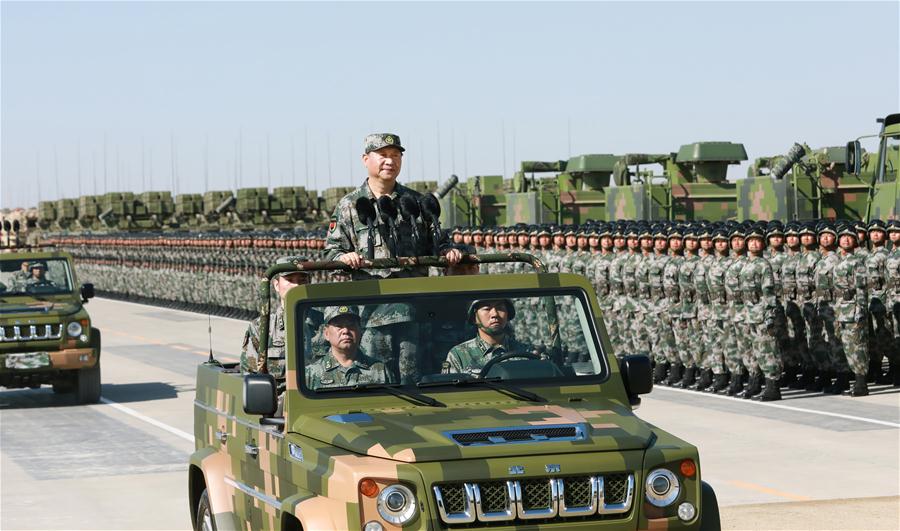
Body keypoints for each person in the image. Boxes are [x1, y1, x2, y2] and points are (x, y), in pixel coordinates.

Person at [324, 133, 461, 277]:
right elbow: (332, 253)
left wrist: (447, 250)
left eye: (395, 155)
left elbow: (440, 241)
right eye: (383, 155)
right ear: (365, 159)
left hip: (414, 289)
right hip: (372, 290)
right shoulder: (349, 206)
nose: (390, 161)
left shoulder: (417, 202)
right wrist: (343, 258)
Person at [240, 256, 315, 376]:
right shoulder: (261, 328)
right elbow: (250, 374)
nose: (296, 286)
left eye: (302, 280)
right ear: (276, 285)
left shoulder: (326, 323)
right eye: (290, 280)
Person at [305, 305, 394, 389]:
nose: (346, 331)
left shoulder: (380, 370)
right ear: (326, 333)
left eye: (351, 325)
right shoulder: (311, 373)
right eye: (339, 326)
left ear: (360, 330)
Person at [444, 299, 537, 375]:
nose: (495, 314)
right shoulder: (460, 355)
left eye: (500, 308)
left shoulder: (526, 352)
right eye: (487, 309)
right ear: (474, 317)